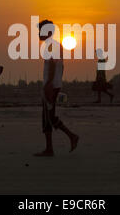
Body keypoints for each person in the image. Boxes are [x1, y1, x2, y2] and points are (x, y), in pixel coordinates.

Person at [34, 19, 79, 157]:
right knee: (48, 116)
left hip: (50, 86)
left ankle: (71, 137)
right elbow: (61, 67)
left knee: (49, 117)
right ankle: (51, 147)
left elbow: (53, 66)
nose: (39, 34)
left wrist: (49, 85)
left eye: (40, 30)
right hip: (53, 85)